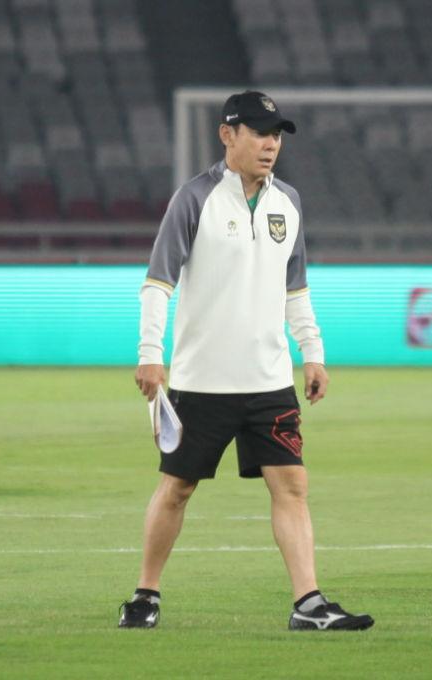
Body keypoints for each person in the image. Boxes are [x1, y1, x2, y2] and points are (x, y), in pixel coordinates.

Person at [117, 91, 374, 632]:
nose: (271, 144)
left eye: (276, 134)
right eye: (259, 132)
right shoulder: (194, 198)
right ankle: (145, 596)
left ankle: (309, 604)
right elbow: (157, 283)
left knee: (292, 486)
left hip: (268, 382)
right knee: (177, 487)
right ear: (227, 134)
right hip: (202, 382)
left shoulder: (290, 203)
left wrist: (314, 354)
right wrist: (149, 355)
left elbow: (295, 287)